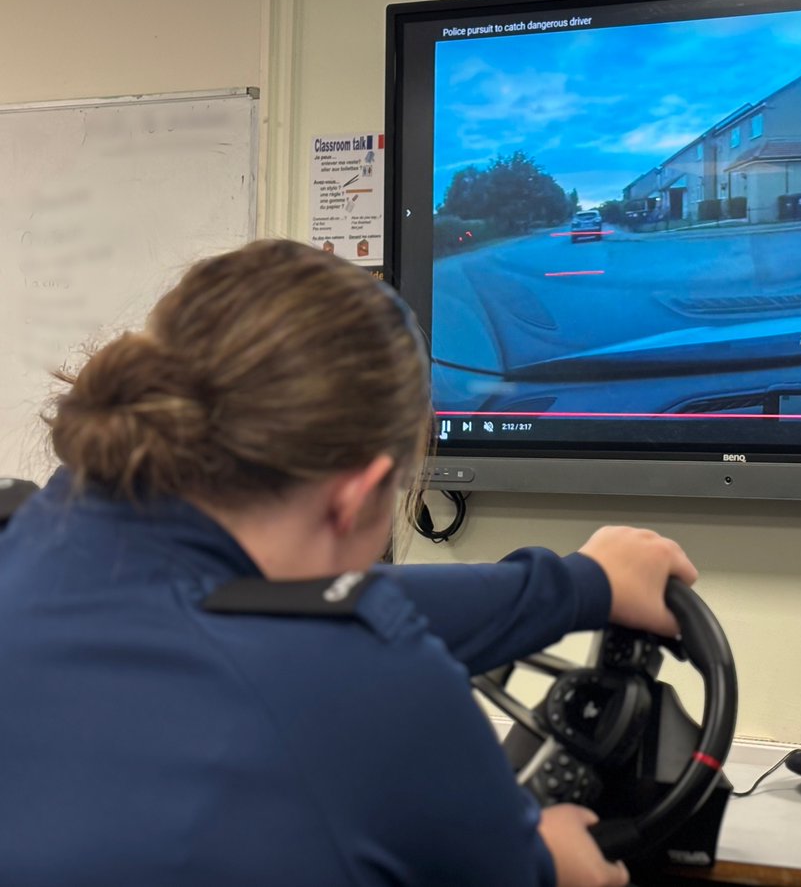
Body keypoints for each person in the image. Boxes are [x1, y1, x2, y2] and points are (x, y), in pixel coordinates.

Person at [0, 239, 698, 887]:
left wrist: (581, 584)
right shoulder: (369, 692)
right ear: (358, 494)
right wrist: (551, 859)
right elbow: (343, 638)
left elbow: (310, 611)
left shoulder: (26, 539)